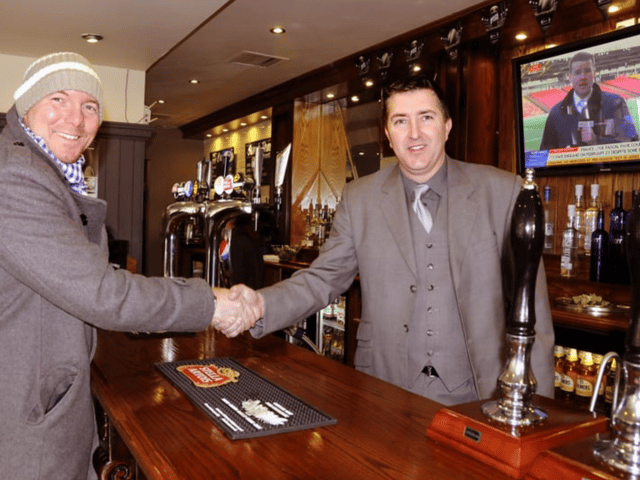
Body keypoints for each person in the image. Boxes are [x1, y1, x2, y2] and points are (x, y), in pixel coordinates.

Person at [0, 52, 255, 480]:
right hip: (24, 415)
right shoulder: (16, 177)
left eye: (90, 107)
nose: (76, 119)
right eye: (58, 99)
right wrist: (212, 302)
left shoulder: (47, 171)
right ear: (27, 107)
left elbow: (82, 277)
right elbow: (100, 294)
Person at [229, 74, 555, 405]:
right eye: (401, 121)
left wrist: (539, 413)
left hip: (479, 393)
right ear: (388, 134)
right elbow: (323, 278)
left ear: (447, 125)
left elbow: (534, 312)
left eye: (426, 117)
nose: (414, 133)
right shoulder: (359, 198)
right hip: (384, 388)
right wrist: (260, 305)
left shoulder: (503, 192)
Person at [540, 51, 638, 150]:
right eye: (577, 73)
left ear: (594, 73)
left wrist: (597, 141)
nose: (583, 77)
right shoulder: (556, 113)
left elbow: (632, 142)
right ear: (570, 77)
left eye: (587, 71)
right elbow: (544, 155)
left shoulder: (615, 103)